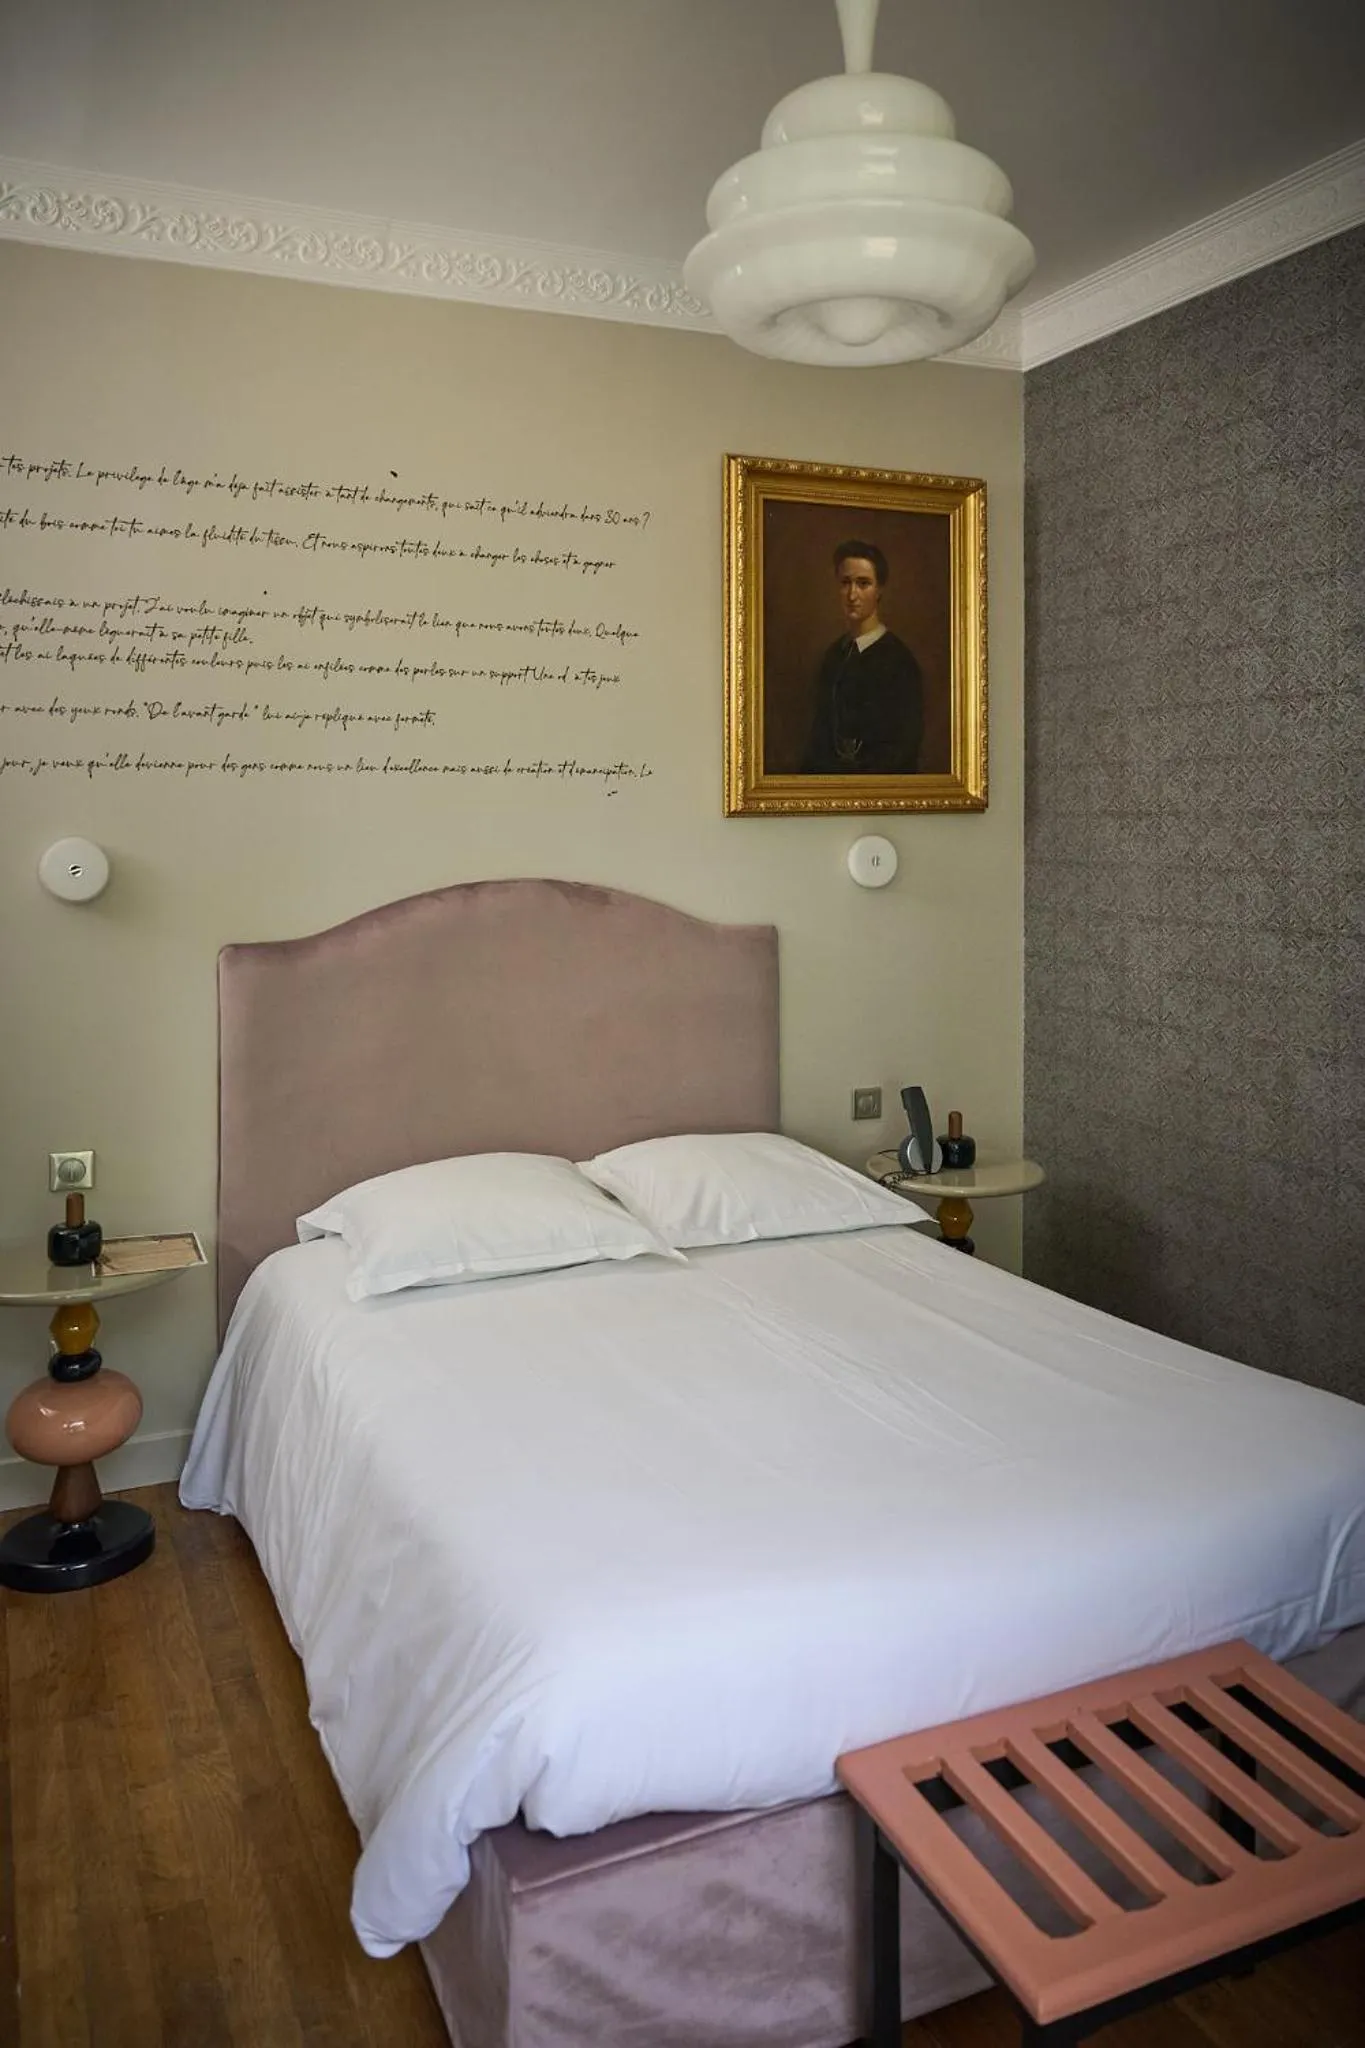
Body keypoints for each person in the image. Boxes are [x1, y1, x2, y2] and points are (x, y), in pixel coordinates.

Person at [800, 540, 923, 774]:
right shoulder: (833, 656)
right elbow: (819, 740)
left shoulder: (899, 662)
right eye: (845, 583)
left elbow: (901, 752)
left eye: (863, 584)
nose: (852, 595)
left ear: (879, 590)